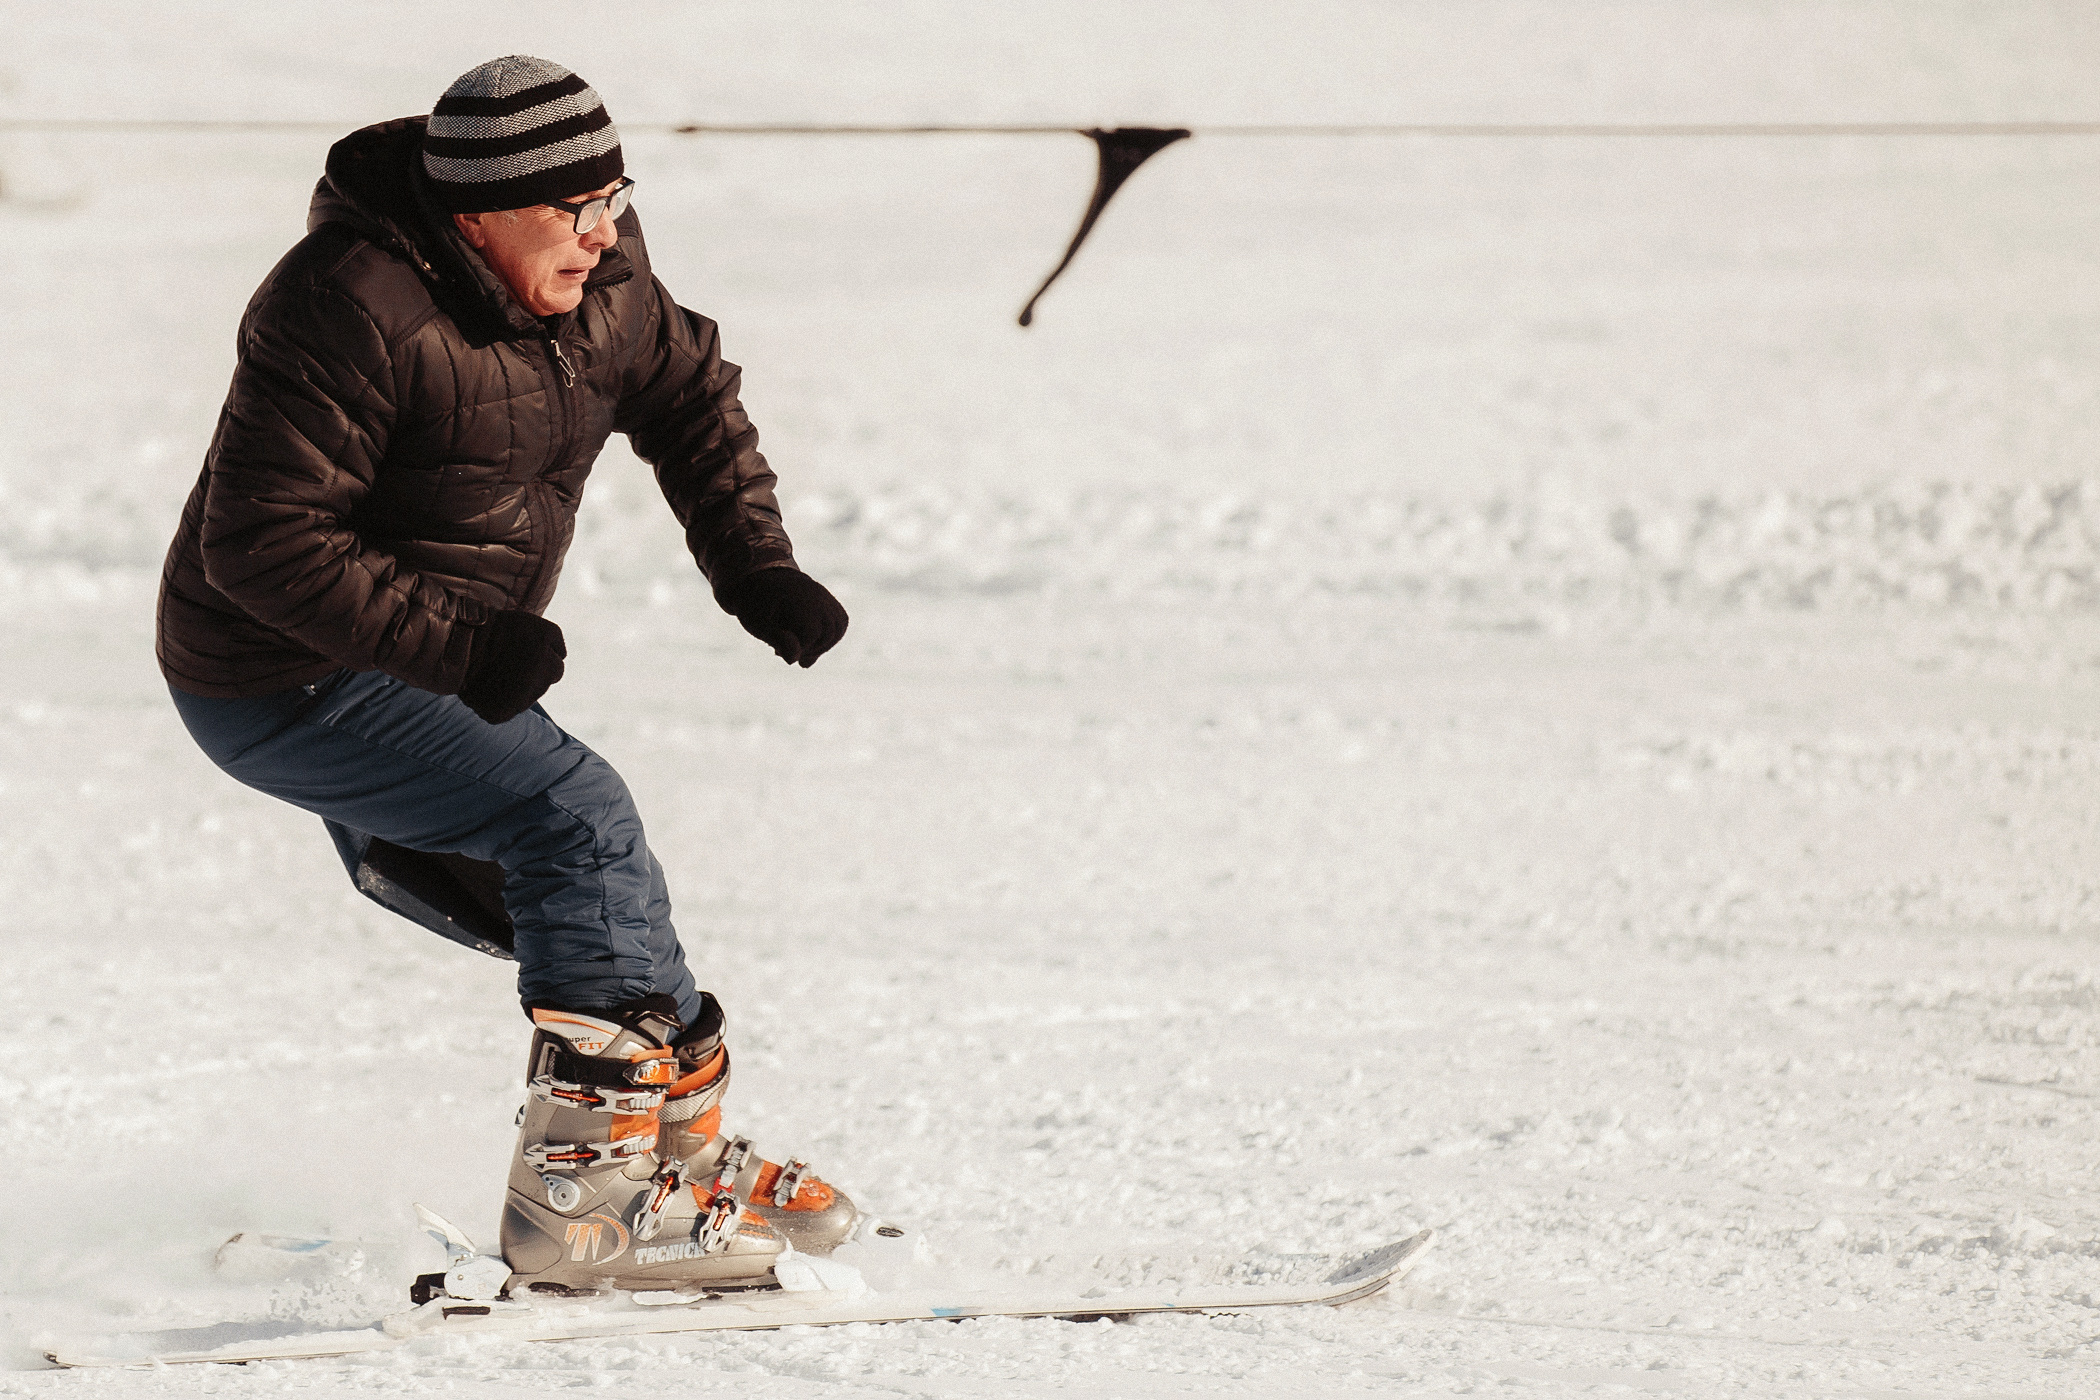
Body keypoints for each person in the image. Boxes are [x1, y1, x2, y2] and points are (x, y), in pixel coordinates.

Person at [156, 56, 857, 1294]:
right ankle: (577, 1202)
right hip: (281, 669)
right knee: (570, 814)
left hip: (418, 653)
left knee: (606, 865)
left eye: (616, 196)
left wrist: (754, 565)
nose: (604, 233)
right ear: (482, 208)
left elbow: (689, 393)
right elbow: (263, 543)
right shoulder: (348, 301)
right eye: (573, 210)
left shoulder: (601, 266)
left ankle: (674, 1162)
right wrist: (465, 649)